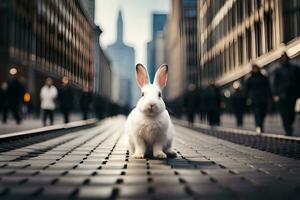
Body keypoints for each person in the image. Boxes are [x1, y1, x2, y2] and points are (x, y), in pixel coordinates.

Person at [273, 52, 300, 136]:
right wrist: (276, 94)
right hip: (282, 95)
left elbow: (298, 81)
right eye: (283, 58)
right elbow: (275, 83)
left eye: (285, 57)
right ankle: (287, 128)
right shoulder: (278, 70)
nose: (284, 59)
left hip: (293, 94)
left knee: (291, 112)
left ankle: (289, 125)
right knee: (284, 112)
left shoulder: (295, 68)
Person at [245, 64, 272, 133]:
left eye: (256, 68)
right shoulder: (250, 78)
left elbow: (268, 87)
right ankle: (258, 125)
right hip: (254, 99)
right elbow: (247, 90)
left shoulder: (263, 77)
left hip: (263, 98)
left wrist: (269, 96)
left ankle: (261, 125)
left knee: (263, 113)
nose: (255, 70)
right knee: (256, 113)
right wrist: (248, 98)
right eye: (254, 69)